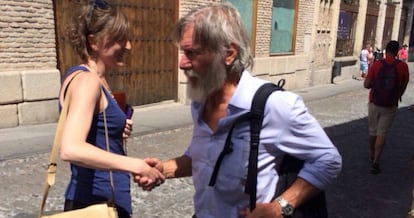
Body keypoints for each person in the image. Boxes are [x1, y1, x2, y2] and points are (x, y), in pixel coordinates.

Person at [137, 3, 342, 218]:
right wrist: (163, 169)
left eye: (192, 53)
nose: (181, 63)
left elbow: (327, 159)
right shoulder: (201, 102)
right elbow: (204, 158)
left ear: (229, 54)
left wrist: (279, 207)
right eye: (182, 52)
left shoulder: (275, 105)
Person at [60, 1, 165, 217]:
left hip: (103, 199)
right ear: (94, 41)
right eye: (119, 39)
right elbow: (71, 148)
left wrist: (116, 131)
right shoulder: (87, 81)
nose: (128, 46)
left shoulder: (93, 79)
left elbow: (92, 132)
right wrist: (135, 165)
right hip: (95, 203)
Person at [363, 40, 409, 174]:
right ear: (397, 52)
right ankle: (376, 161)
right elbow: (404, 84)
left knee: (372, 131)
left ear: (386, 50)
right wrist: (398, 95)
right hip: (391, 104)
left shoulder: (377, 65)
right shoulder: (402, 67)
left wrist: (374, 85)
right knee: (382, 132)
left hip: (374, 102)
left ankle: (372, 154)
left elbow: (366, 84)